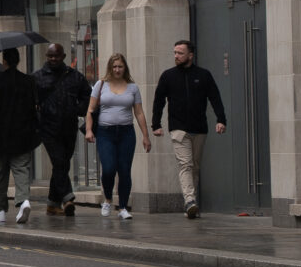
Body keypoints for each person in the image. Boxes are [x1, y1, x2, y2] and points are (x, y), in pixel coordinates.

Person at [149, 40, 227, 219]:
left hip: (200, 128)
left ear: (190, 55)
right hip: (179, 129)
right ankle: (190, 200)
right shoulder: (168, 76)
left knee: (195, 167)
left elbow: (215, 98)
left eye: (180, 53)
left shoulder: (204, 75)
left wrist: (221, 119)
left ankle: (191, 203)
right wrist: (156, 124)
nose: (176, 56)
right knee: (185, 164)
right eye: (175, 53)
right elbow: (159, 100)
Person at [86, 53, 148, 218]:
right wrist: (89, 130)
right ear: (110, 68)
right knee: (108, 169)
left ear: (125, 67)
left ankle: (122, 207)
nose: (117, 70)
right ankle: (107, 199)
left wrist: (145, 136)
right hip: (105, 133)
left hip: (126, 133)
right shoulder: (101, 85)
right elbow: (90, 110)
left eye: (120, 66)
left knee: (124, 170)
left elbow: (139, 113)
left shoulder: (133, 87)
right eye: (114, 67)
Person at [34, 44, 92, 218]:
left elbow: (88, 97)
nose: (53, 59)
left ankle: (52, 203)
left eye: (56, 56)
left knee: (63, 164)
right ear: (46, 56)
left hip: (69, 127)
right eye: (50, 56)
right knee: (59, 162)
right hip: (48, 128)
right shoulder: (37, 77)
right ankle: (68, 197)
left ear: (64, 56)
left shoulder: (75, 77)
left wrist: (77, 109)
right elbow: (30, 99)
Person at [0, 47, 39, 224]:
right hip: (23, 135)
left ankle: (1, 210)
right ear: (18, 60)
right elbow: (33, 109)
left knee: (1, 173)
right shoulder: (29, 81)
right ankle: (23, 200)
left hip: (1, 135)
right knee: (21, 170)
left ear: (5, 61)